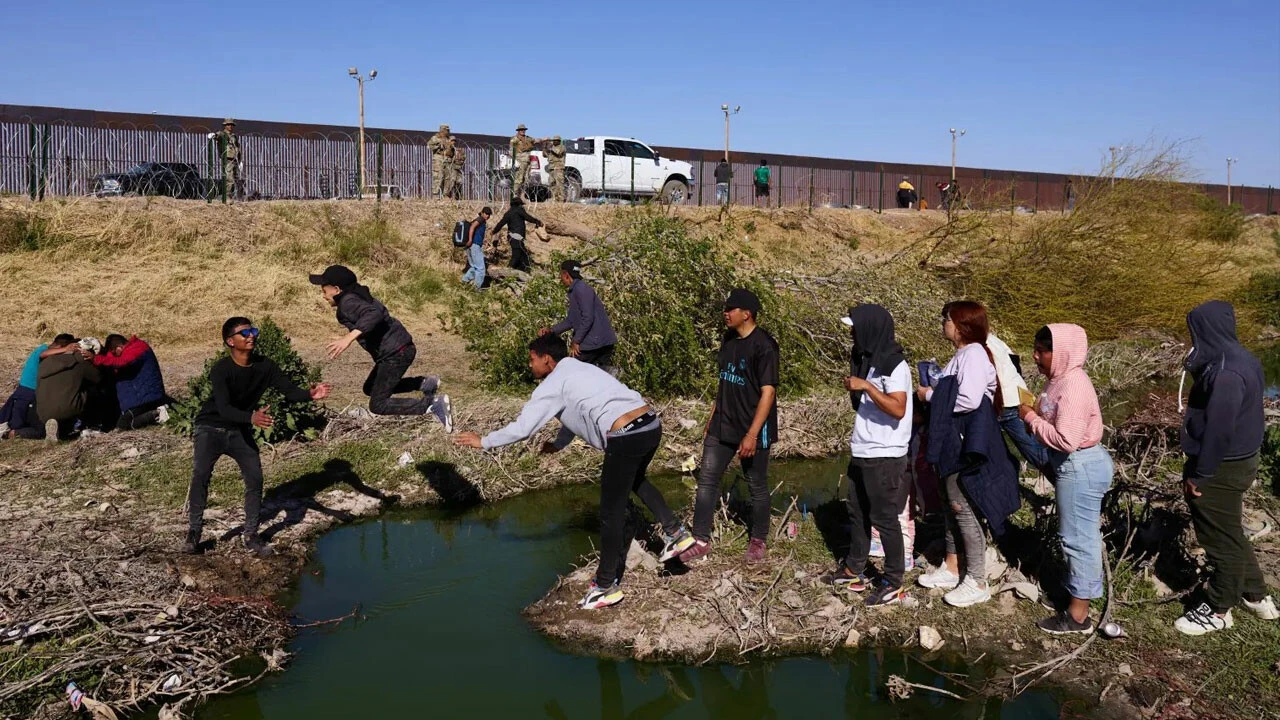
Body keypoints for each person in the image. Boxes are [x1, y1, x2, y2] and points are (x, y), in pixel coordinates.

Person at [453, 334, 695, 610]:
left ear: (546, 359)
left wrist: (483, 441)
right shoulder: (579, 368)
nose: (529, 365)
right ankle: (676, 533)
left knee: (610, 513)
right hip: (650, 424)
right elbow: (574, 412)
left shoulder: (552, 385)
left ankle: (605, 586)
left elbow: (523, 428)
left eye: (532, 359)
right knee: (636, 478)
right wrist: (558, 444)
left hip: (625, 434)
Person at [185, 317, 332, 557]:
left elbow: (289, 391)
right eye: (244, 333)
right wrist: (252, 418)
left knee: (255, 478)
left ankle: (251, 535)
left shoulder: (266, 366)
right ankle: (194, 534)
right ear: (230, 342)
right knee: (201, 475)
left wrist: (310, 394)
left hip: (239, 430)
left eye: (253, 331)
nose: (251, 335)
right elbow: (223, 409)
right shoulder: (221, 369)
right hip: (210, 428)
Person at [1173, 301, 1278, 635]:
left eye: (1195, 331)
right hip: (1240, 460)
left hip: (1221, 468)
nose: (1193, 338)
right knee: (1230, 531)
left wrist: (1200, 474)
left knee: (1217, 539)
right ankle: (1257, 596)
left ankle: (1219, 609)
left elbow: (1219, 431)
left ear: (1205, 330)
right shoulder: (1241, 358)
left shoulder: (1226, 373)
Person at [915, 301, 1019, 608]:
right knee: (950, 504)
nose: (942, 323)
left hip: (964, 445)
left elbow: (969, 399)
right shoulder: (965, 354)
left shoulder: (973, 354)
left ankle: (976, 579)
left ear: (961, 325)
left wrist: (930, 395)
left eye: (946, 319)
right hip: (953, 443)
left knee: (963, 508)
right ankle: (952, 565)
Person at [1018, 324, 1115, 635]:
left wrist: (1030, 419)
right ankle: (1079, 595)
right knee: (1078, 536)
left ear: (1061, 354)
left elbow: (1066, 439)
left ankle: (1077, 615)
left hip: (1080, 465)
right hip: (1075, 465)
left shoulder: (1073, 385)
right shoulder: (1059, 380)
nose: (1035, 356)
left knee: (1078, 540)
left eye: (1041, 351)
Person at [820, 304, 913, 607]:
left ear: (871, 328)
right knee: (857, 511)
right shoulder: (870, 361)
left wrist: (867, 387)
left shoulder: (895, 365)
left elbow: (898, 408)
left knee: (884, 518)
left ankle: (894, 581)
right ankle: (854, 570)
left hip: (885, 455)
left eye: (855, 328)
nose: (851, 333)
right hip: (864, 449)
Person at [679, 289, 779, 565]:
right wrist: (712, 415)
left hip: (753, 428)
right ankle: (700, 539)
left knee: (756, 485)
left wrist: (751, 434)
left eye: (731, 308)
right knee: (707, 480)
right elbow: (724, 381)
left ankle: (758, 540)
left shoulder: (765, 346)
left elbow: (768, 393)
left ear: (746, 313)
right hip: (723, 423)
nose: (726, 312)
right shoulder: (728, 340)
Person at [310, 265, 452, 428]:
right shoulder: (356, 295)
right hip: (399, 347)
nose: (323, 296)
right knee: (370, 387)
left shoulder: (347, 302)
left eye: (324, 291)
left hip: (395, 353)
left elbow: (373, 314)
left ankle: (433, 405)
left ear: (336, 289)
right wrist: (346, 336)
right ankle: (425, 383)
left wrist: (348, 338)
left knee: (378, 404)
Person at [539, 260, 618, 370]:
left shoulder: (580, 289)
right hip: (599, 341)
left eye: (561, 275)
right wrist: (551, 331)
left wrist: (576, 341)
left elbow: (588, 317)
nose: (561, 279)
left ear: (566, 275)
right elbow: (571, 320)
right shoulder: (577, 289)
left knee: (572, 370)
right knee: (597, 376)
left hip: (595, 343)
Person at [21, 336, 102, 441]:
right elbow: (98, 378)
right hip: (67, 408)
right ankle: (92, 425)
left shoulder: (46, 362)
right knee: (94, 391)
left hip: (43, 413)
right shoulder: (80, 359)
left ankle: (59, 431)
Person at [987, 331, 1048, 471]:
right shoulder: (993, 339)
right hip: (1017, 395)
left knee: (1036, 451)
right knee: (1035, 449)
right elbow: (1014, 361)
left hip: (1006, 401)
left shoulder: (977, 345)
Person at [94, 334, 170, 430]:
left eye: (114, 353)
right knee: (124, 421)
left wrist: (96, 359)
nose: (113, 356)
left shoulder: (138, 348)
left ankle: (156, 415)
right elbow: (112, 359)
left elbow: (121, 362)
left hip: (145, 397)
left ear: (119, 348)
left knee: (124, 424)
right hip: (142, 397)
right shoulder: (134, 347)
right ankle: (157, 412)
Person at [0, 336, 62, 438]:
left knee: (23, 421)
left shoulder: (42, 349)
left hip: (28, 393)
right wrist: (66, 349)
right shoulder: (42, 350)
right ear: (58, 346)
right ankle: (9, 433)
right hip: (26, 393)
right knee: (16, 423)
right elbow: (43, 354)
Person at [491, 197, 543, 273]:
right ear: (518, 204)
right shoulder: (519, 210)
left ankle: (525, 272)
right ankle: (506, 273)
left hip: (512, 237)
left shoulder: (508, 213)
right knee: (516, 256)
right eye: (521, 205)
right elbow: (528, 217)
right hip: (517, 237)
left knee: (524, 256)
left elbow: (501, 223)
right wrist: (537, 221)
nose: (522, 206)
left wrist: (494, 231)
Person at [510, 124, 545, 199]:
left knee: (525, 179)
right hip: (520, 159)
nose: (523, 131)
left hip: (527, 160)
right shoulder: (515, 139)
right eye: (521, 130)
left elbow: (536, 140)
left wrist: (543, 139)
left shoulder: (528, 138)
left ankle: (521, 196)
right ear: (518, 131)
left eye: (524, 130)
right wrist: (514, 159)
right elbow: (511, 150)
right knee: (519, 178)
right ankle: (515, 195)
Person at [461, 207, 492, 290]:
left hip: (470, 246)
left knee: (474, 267)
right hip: (474, 245)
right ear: (482, 212)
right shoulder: (480, 219)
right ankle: (477, 288)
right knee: (481, 269)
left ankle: (464, 281)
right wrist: (471, 240)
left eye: (489, 214)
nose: (487, 216)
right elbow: (472, 228)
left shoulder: (480, 220)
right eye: (486, 213)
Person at [216, 118, 240, 201]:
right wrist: (214, 135)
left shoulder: (234, 136)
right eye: (228, 125)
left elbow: (237, 147)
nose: (230, 126)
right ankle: (226, 195)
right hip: (227, 158)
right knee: (229, 178)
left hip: (234, 159)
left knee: (235, 178)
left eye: (231, 125)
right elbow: (217, 136)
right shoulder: (222, 134)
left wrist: (240, 160)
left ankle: (232, 195)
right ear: (225, 125)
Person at [428, 124, 452, 197]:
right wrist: (438, 145)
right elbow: (429, 146)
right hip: (438, 158)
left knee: (448, 178)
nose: (448, 131)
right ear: (443, 130)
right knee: (438, 176)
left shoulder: (449, 139)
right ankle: (436, 194)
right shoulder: (435, 138)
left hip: (447, 159)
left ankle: (446, 195)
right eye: (447, 130)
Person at [545, 136, 568, 202]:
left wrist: (550, 147)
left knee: (559, 184)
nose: (554, 141)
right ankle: (554, 198)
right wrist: (545, 147)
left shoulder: (562, 147)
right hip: (551, 168)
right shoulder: (552, 148)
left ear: (559, 141)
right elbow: (545, 155)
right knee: (552, 184)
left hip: (558, 168)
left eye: (556, 140)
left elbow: (558, 152)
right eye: (553, 140)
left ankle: (561, 199)